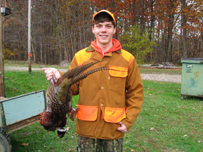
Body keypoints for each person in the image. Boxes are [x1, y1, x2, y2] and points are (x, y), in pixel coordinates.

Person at [42, 10, 144, 152]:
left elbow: (136, 93)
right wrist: (58, 76)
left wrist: (128, 121)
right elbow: (72, 88)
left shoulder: (127, 59)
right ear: (93, 29)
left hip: (114, 129)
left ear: (114, 30)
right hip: (86, 130)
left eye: (108, 26)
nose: (103, 30)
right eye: (99, 26)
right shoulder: (81, 57)